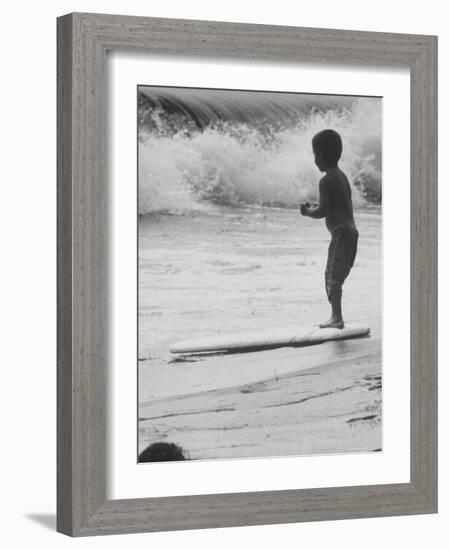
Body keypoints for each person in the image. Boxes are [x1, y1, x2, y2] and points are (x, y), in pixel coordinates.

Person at [300, 129, 358, 329]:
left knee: (332, 277)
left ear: (321, 155)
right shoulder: (341, 177)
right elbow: (339, 204)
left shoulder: (325, 181)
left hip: (341, 235)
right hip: (352, 234)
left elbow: (323, 211)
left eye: (314, 153)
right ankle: (336, 316)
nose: (314, 158)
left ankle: (336, 317)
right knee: (335, 277)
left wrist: (308, 212)